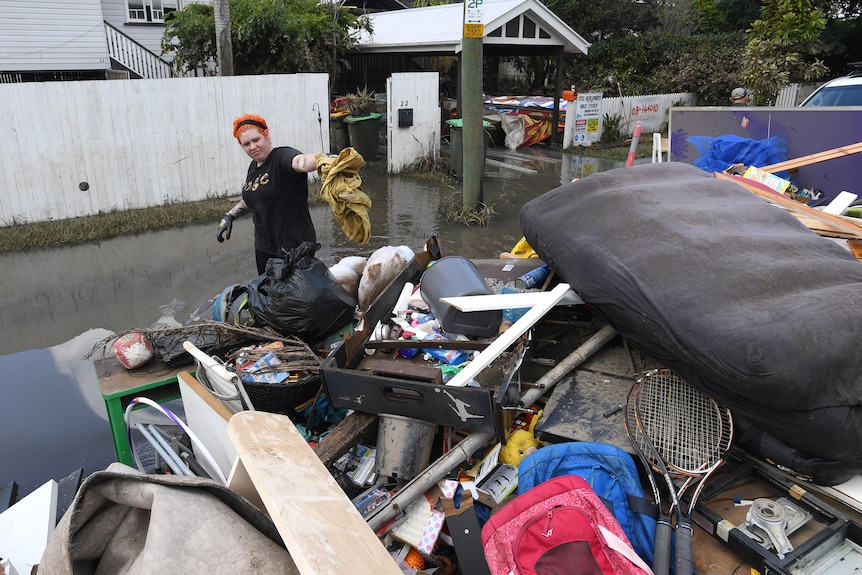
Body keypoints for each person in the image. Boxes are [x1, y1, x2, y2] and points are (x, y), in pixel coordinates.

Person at [217, 114, 322, 275]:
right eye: (246, 144)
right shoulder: (253, 167)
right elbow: (254, 196)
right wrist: (230, 215)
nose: (252, 147)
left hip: (295, 248)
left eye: (256, 140)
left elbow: (302, 162)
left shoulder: (282, 157)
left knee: (295, 298)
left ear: (266, 134)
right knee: (266, 296)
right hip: (264, 248)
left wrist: (326, 160)